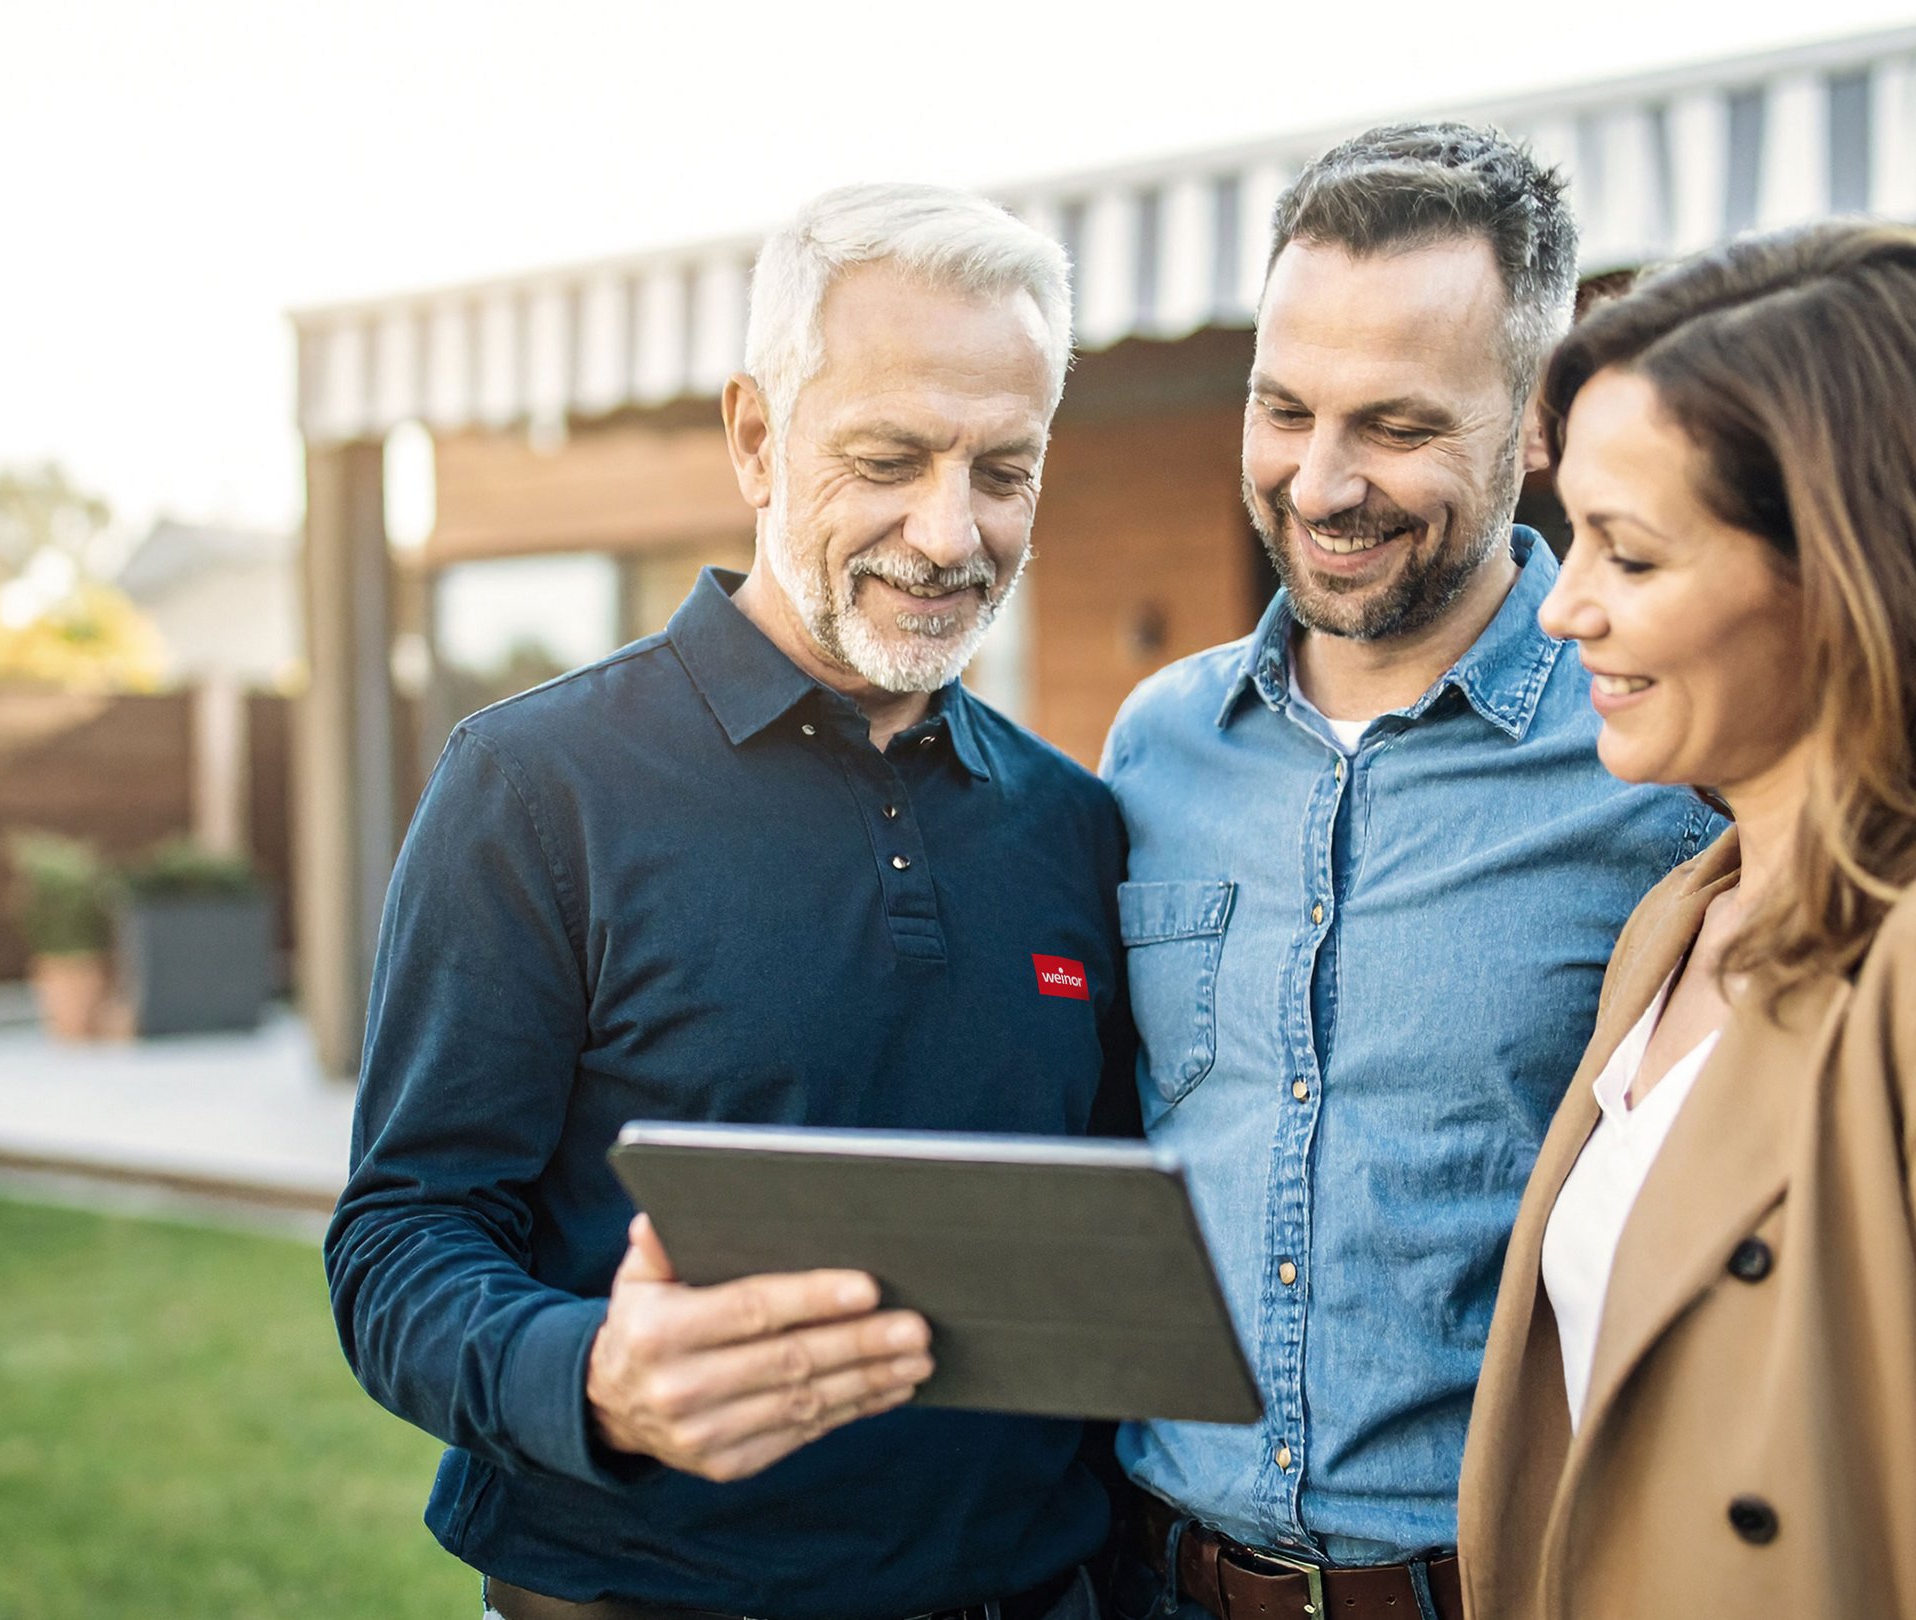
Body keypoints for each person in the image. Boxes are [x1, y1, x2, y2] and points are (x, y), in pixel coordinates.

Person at [325, 182, 1132, 1620]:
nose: (949, 534)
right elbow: (400, 1240)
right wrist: (593, 1378)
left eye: (1004, 471)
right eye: (887, 458)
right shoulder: (532, 784)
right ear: (757, 440)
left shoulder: (1076, 826)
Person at [1095, 125, 1714, 1620]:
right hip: (1153, 1582)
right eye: (1284, 408)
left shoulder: (1663, 764)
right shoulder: (1155, 746)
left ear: (1540, 423)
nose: (1319, 482)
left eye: (1394, 426)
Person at [1457, 221, 1916, 1618]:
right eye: (1566, 535)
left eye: (1632, 557)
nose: (1563, 608)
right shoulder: (1680, 916)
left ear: (1844, 575)